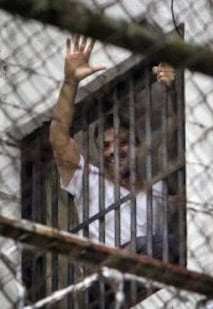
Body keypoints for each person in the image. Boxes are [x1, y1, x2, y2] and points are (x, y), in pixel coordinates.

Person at [49, 34, 178, 306]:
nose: (113, 151)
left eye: (122, 143)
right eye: (106, 146)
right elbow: (59, 137)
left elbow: (182, 150)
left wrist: (170, 92)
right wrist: (71, 83)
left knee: (168, 243)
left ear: (138, 146)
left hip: (147, 278)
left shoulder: (157, 188)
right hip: (107, 282)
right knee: (159, 244)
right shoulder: (89, 179)